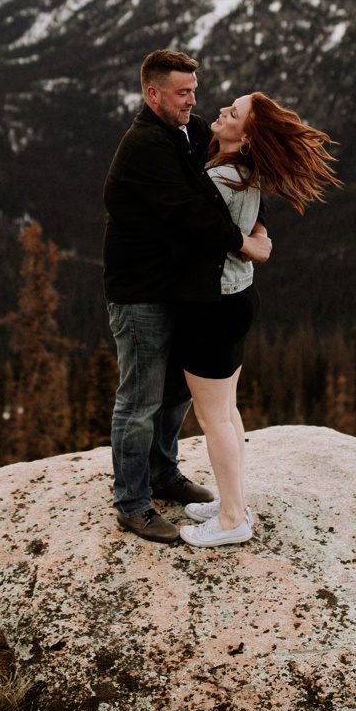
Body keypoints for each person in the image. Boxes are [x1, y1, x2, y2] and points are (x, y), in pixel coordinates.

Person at [102, 49, 272, 543]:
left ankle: (164, 474)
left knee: (176, 393)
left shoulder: (189, 129)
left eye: (194, 90)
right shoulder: (146, 146)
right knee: (139, 399)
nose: (193, 100)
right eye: (182, 92)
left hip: (180, 289)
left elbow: (231, 186)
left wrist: (258, 226)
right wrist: (247, 245)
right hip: (140, 293)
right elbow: (193, 213)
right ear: (153, 93)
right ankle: (132, 502)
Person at [177, 91, 339, 549]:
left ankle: (231, 519)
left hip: (211, 306)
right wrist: (256, 241)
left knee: (214, 420)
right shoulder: (245, 173)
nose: (222, 111)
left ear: (246, 137)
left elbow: (198, 231)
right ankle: (234, 500)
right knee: (227, 410)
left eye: (234, 113)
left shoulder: (221, 178)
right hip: (237, 299)